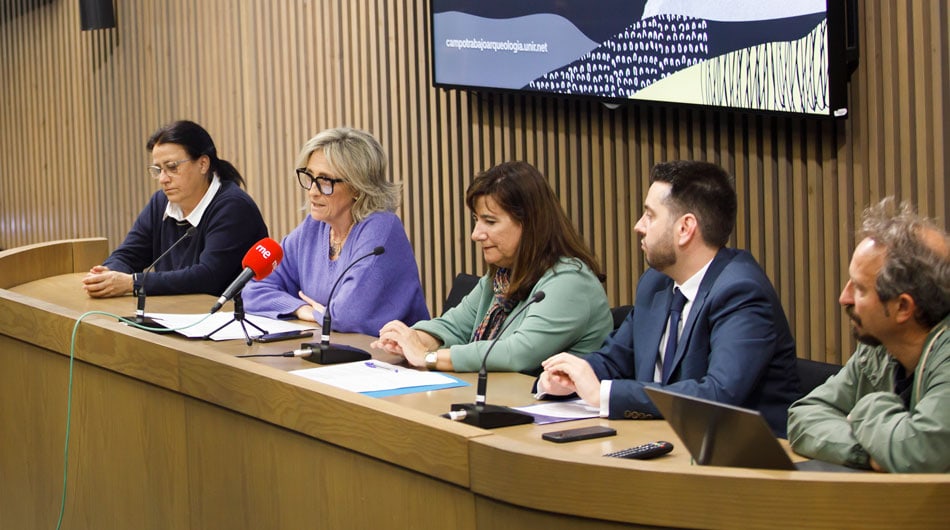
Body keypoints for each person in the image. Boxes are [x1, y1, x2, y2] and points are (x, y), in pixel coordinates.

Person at [537, 161, 800, 437]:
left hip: (744, 463)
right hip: (668, 444)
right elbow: (615, 360)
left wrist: (604, 394)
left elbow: (718, 395)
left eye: (649, 215)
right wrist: (569, 377)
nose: (638, 226)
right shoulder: (656, 283)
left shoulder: (742, 292)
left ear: (685, 228)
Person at [372, 161, 612, 373]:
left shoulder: (570, 281)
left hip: (557, 415)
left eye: (490, 221)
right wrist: (413, 340)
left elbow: (517, 353)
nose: (476, 234)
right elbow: (454, 326)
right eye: (477, 221)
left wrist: (428, 357)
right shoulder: (502, 276)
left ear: (529, 224)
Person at [787, 199, 950, 472]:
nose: (843, 298)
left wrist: (869, 406)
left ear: (902, 308)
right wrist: (871, 453)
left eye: (860, 289)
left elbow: (919, 453)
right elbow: (803, 416)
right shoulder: (880, 346)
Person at [242, 127, 429, 335]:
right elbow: (253, 290)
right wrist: (304, 309)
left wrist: (324, 314)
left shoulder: (382, 230)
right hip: (331, 351)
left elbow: (347, 315)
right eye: (309, 177)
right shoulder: (314, 228)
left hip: (389, 360)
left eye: (325, 181)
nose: (312, 192)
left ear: (357, 187)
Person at [82, 120, 268, 298]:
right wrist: (108, 274)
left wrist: (133, 283)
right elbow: (128, 254)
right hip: (176, 315)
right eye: (158, 169)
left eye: (172, 167)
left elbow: (208, 277)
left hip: (229, 323)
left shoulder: (233, 207)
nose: (163, 179)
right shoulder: (160, 202)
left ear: (203, 164)